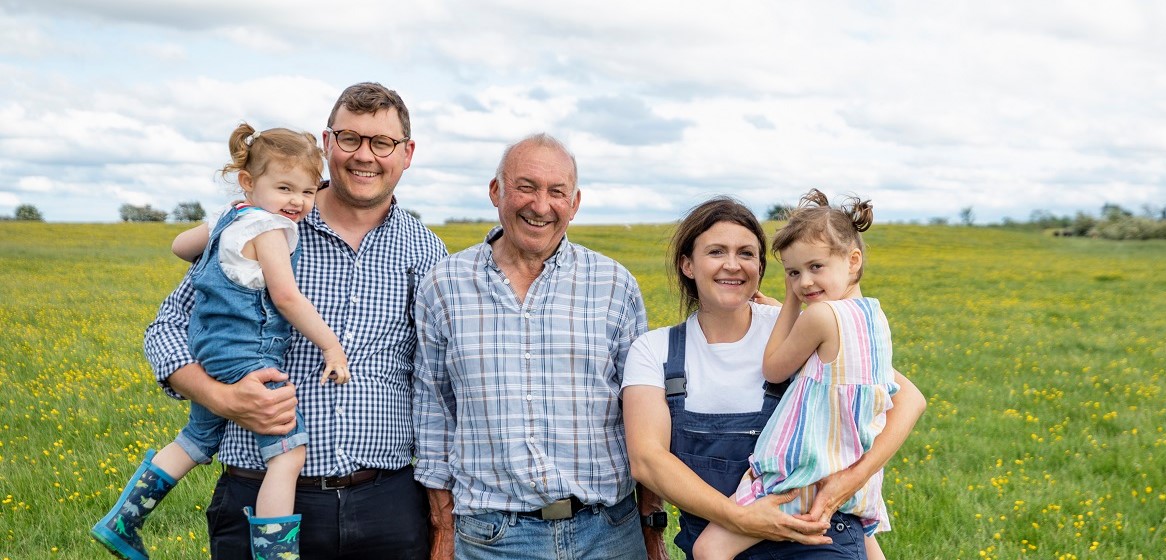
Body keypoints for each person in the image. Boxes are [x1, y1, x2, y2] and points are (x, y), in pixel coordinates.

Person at [141, 82, 447, 559]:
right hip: (257, 492)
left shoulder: (425, 249)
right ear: (327, 145)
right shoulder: (265, 222)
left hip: (386, 507)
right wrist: (221, 397)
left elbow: (437, 379)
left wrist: (441, 517)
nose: (365, 155)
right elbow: (166, 329)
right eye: (350, 138)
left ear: (406, 153)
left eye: (381, 143)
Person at [93, 123, 351, 560]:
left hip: (208, 353)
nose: (297, 202)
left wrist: (224, 223)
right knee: (288, 455)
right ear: (250, 183)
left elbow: (179, 245)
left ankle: (123, 521)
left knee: (195, 440)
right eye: (285, 187)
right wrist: (330, 345)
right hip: (249, 356)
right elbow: (286, 296)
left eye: (307, 192)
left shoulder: (230, 216)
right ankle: (274, 554)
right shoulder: (269, 229)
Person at [623, 196, 926, 559]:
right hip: (720, 539)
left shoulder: (796, 326)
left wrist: (852, 479)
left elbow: (908, 398)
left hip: (812, 538)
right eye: (716, 252)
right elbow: (647, 460)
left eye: (747, 254)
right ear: (688, 264)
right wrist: (742, 519)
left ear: (763, 268)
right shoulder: (654, 350)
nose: (732, 265)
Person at [413, 133, 653, 560]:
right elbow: (434, 407)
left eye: (556, 192)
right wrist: (442, 525)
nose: (541, 206)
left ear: (574, 203)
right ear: (495, 191)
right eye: (526, 187)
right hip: (493, 538)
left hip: (609, 532)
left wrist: (652, 528)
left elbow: (645, 416)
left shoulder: (614, 285)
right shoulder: (444, 285)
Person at [691, 189, 900, 559]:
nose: (804, 282)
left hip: (802, 470)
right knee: (864, 545)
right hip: (850, 469)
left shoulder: (820, 317)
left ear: (853, 261)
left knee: (708, 549)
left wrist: (789, 301)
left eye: (815, 267)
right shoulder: (874, 318)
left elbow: (773, 368)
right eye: (793, 273)